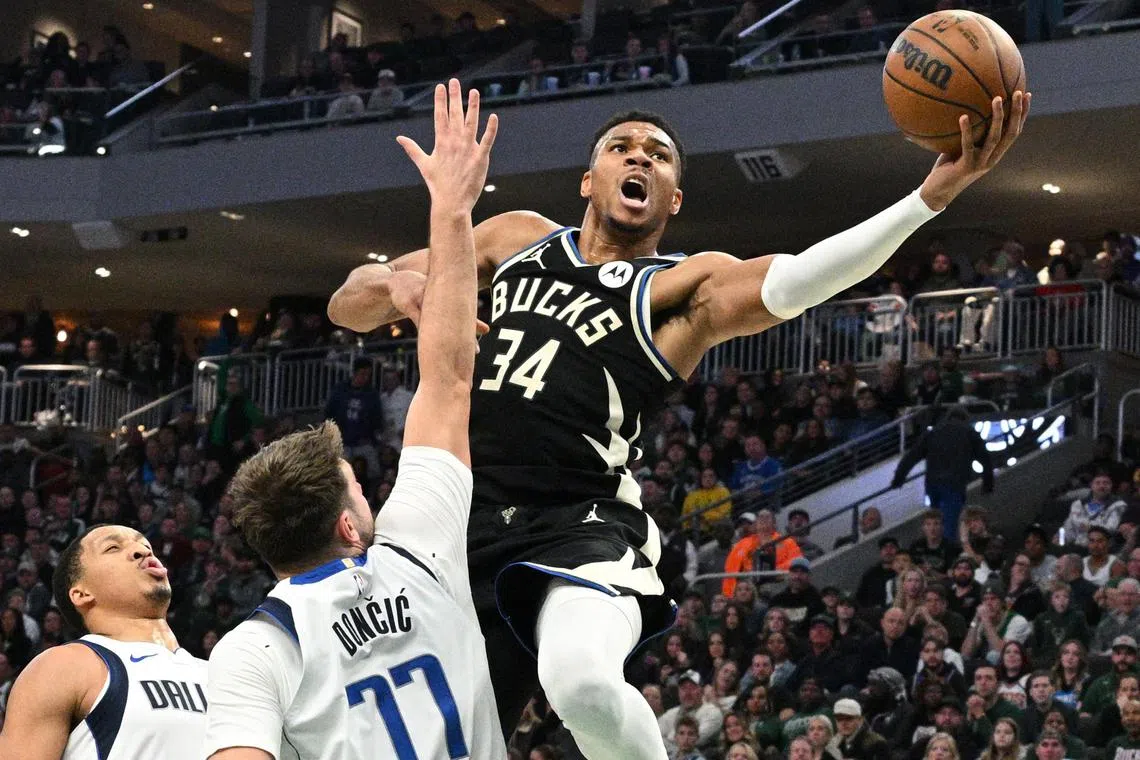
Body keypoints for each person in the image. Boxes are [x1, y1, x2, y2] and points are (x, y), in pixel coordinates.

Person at [328, 87, 1031, 754]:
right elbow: (346, 303)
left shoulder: (683, 289)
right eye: (623, 147)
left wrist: (927, 199)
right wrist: (400, 286)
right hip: (461, 526)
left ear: (674, 197)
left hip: (581, 522)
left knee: (580, 681)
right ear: (587, 180)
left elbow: (805, 277)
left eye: (659, 155)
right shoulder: (514, 238)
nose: (640, 157)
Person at [201, 80, 506, 760]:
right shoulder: (416, 555)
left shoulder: (253, 649)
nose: (371, 498)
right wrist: (452, 210)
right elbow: (451, 377)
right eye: (361, 491)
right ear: (347, 523)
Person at [0, 524, 207, 757]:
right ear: (82, 593)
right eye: (112, 547)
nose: (142, 551)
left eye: (146, 545)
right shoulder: (66, 666)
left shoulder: (219, 672)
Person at [892, 407, 995, 538]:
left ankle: (936, 547)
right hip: (954, 484)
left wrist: (898, 479)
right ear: (965, 419)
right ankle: (947, 552)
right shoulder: (969, 432)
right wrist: (988, 485)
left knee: (936, 522)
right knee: (950, 524)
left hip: (932, 484)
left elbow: (911, 457)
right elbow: (986, 460)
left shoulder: (933, 432)